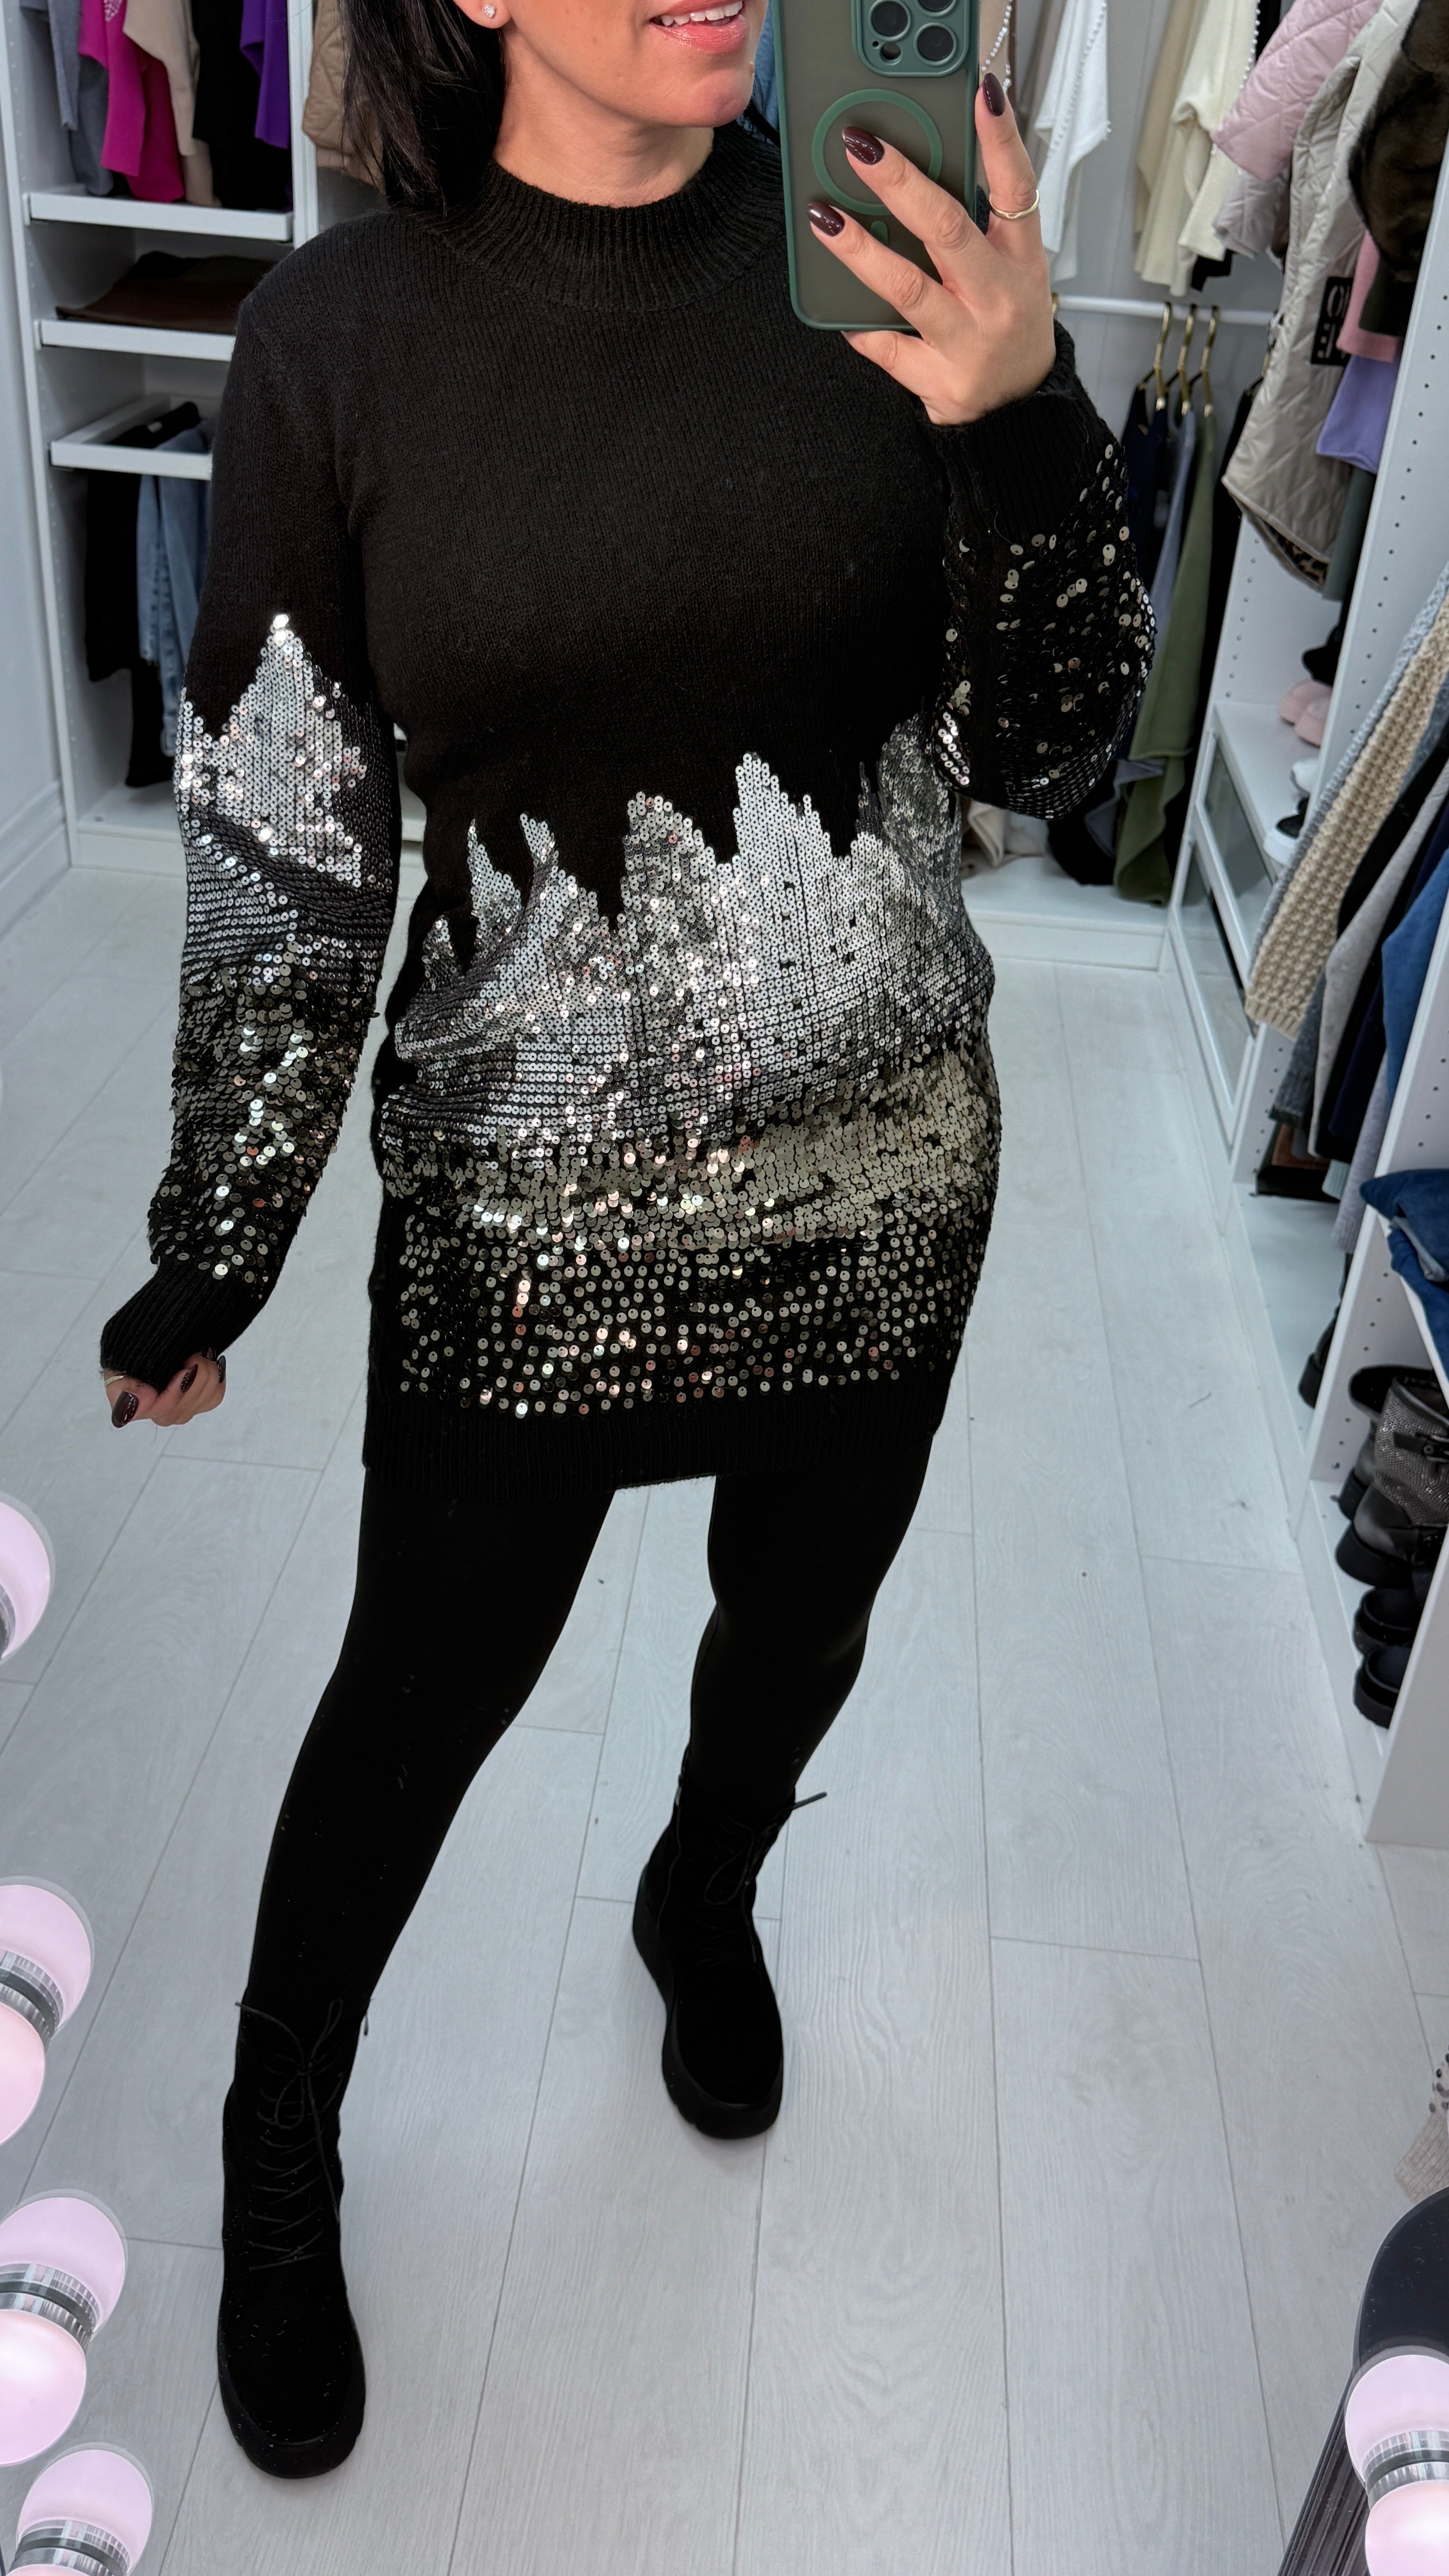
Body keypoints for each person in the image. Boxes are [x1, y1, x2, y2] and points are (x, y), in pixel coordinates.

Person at [98, 0, 1151, 2483]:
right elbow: (288, 841)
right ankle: (279, 2127)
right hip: (522, 1219)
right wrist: (224, 1237)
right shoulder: (339, 342)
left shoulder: (896, 265)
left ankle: (703, 1889)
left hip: (881, 1177)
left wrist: (1021, 409)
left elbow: (1057, 745)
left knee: (801, 1627)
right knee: (418, 1697)